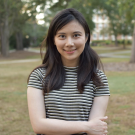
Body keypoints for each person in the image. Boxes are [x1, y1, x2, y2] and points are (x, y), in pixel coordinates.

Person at [27, 8, 110, 135]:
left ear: (87, 37)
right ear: (54, 40)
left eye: (76, 35)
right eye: (62, 36)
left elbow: (95, 130)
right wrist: (86, 126)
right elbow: (38, 125)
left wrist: (90, 128)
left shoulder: (98, 79)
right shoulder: (39, 76)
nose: (69, 43)